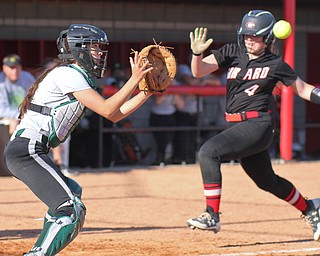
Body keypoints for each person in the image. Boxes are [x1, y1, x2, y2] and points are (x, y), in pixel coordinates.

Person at [3, 23, 153, 256]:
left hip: (31, 149)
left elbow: (114, 114)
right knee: (70, 209)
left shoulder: (76, 76)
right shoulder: (68, 74)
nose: (100, 54)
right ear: (78, 49)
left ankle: (40, 249)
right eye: (94, 48)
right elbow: (106, 108)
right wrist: (134, 81)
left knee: (72, 191)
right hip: (27, 150)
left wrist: (147, 91)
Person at [186, 10, 320, 242]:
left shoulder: (276, 63)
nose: (249, 40)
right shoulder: (232, 52)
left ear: (268, 38)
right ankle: (311, 209)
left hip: (258, 125)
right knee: (266, 181)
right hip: (236, 127)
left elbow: (303, 89)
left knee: (208, 152)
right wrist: (197, 53)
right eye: (246, 35)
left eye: (255, 36)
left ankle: (212, 215)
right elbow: (198, 71)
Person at [0, 54, 35, 134]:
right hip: (6, 120)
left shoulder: (27, 77)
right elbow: (1, 110)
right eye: (11, 68)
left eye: (17, 67)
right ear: (4, 68)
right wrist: (18, 116)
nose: (15, 71)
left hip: (26, 116)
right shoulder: (1, 81)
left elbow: (36, 98)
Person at [149, 93, 176, 166]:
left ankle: (166, 160)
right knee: (162, 141)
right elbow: (158, 101)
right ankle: (160, 160)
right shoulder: (158, 84)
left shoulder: (175, 84)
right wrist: (168, 90)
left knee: (170, 139)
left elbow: (181, 105)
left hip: (171, 116)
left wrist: (175, 93)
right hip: (158, 116)